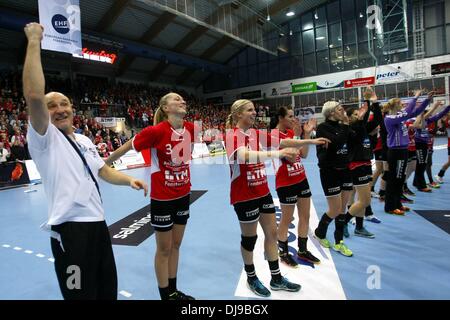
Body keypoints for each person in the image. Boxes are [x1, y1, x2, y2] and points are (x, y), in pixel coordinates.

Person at [23, 22, 148, 300]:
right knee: (80, 295)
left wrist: (129, 179)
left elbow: (102, 171)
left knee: (106, 292)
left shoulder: (84, 140)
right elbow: (33, 96)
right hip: (71, 232)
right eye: (52, 105)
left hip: (99, 226)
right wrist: (34, 40)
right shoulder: (45, 138)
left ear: (73, 109)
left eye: (64, 103)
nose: (59, 109)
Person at [225, 99, 329, 297]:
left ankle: (276, 277)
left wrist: (309, 141)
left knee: (271, 234)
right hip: (244, 196)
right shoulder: (231, 135)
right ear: (238, 114)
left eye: (254, 109)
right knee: (250, 239)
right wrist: (277, 153)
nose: (254, 113)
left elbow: (283, 141)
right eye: (249, 110)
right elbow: (244, 155)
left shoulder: (256, 133)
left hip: (263, 191)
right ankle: (252, 277)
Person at [106, 92, 198, 300]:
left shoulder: (191, 128)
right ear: (165, 108)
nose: (182, 100)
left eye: (183, 98)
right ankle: (164, 294)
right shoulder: (155, 131)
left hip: (183, 195)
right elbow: (128, 146)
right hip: (163, 199)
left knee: (176, 245)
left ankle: (173, 291)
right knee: (164, 249)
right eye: (176, 99)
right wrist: (103, 163)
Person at [270, 106, 320, 266]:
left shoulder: (293, 133)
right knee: (287, 218)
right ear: (280, 118)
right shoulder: (274, 135)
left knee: (305, 216)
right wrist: (300, 136)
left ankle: (303, 250)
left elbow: (303, 154)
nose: (293, 119)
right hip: (286, 183)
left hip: (301, 179)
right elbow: (291, 157)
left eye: (293, 116)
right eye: (290, 116)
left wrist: (306, 133)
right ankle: (283, 252)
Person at [314, 101, 354, 257]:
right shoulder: (323, 128)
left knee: (342, 209)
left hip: (345, 170)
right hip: (329, 172)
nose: (343, 111)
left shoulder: (342, 125)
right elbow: (337, 143)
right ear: (331, 113)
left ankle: (339, 242)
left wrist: (371, 105)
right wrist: (345, 125)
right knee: (335, 209)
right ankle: (320, 231)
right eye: (339, 109)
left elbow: (353, 139)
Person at [383, 90, 432, 215]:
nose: (403, 105)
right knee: (394, 179)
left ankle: (398, 203)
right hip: (396, 152)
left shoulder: (399, 116)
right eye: (401, 104)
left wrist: (427, 99)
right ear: (395, 106)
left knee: (400, 178)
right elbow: (407, 113)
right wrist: (415, 97)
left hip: (402, 150)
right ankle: (390, 206)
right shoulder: (389, 118)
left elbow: (415, 112)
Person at [413, 101, 450, 192]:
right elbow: (422, 118)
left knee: (421, 164)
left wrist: (447, 107)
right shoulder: (416, 121)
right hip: (419, 144)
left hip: (425, 145)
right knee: (421, 165)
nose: (427, 115)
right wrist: (431, 107)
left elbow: (439, 115)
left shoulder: (427, 120)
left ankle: (416, 182)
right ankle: (421, 185)